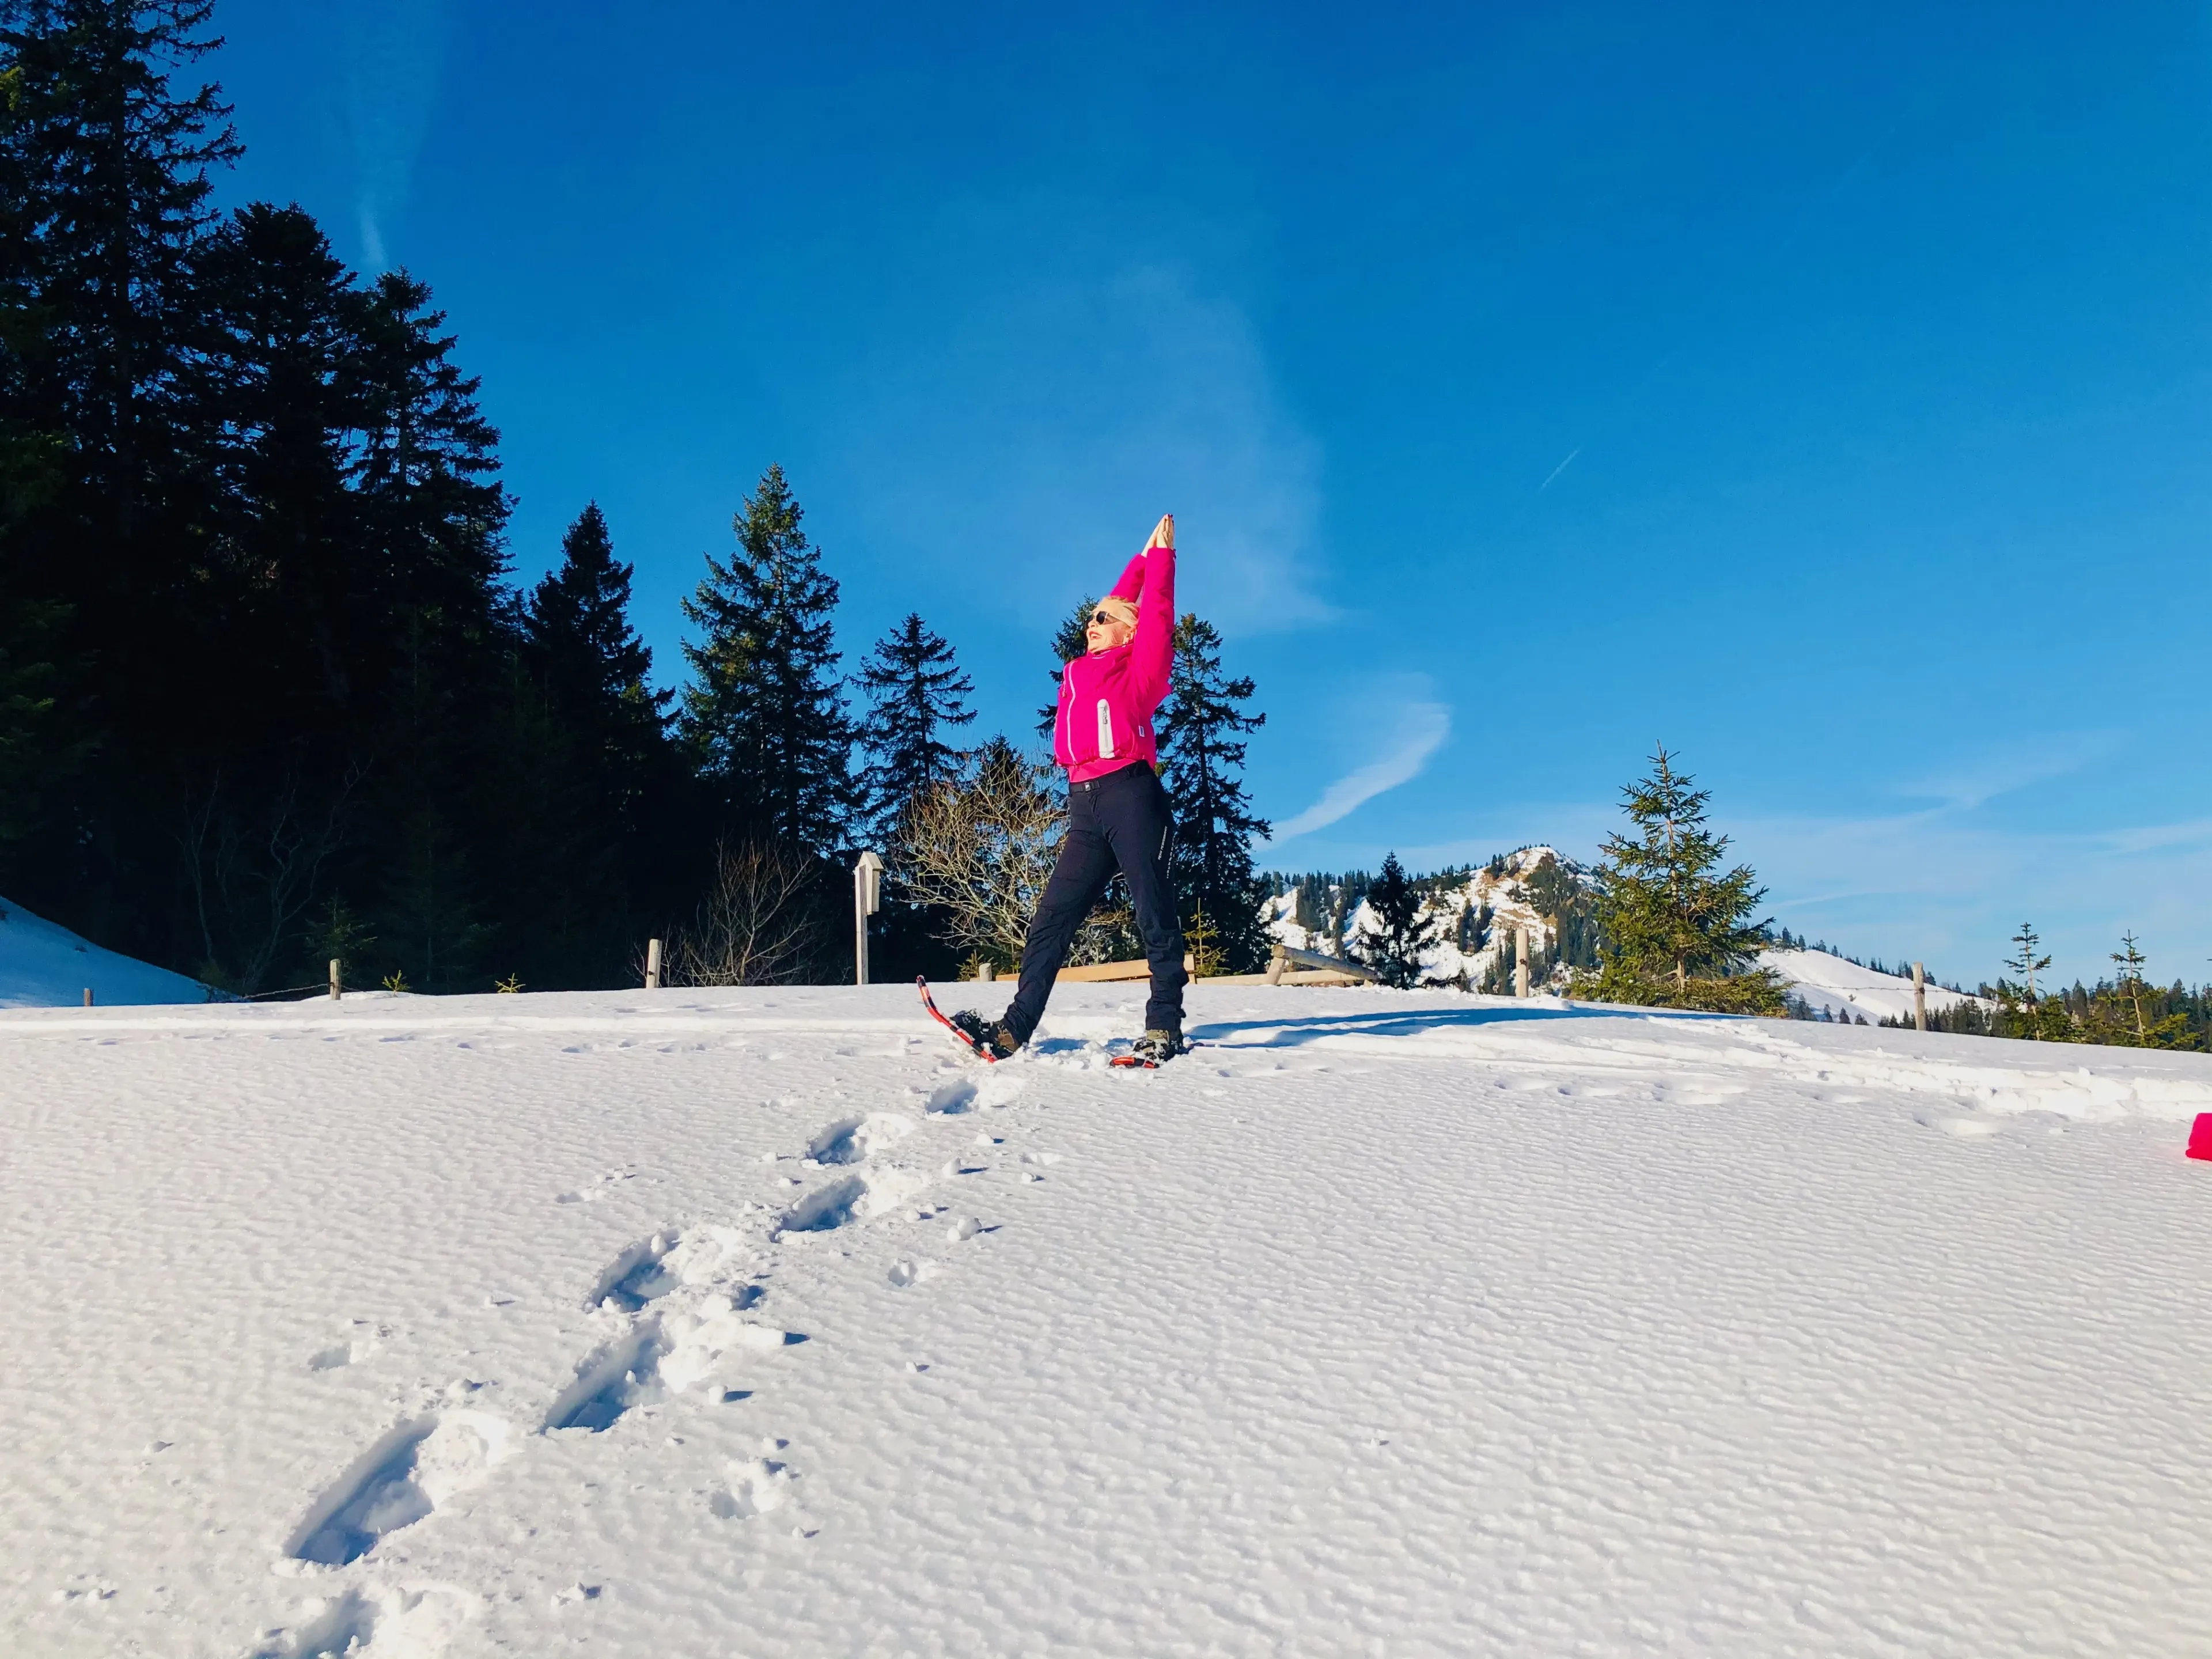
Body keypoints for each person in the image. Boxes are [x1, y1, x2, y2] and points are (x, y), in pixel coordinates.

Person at [952, 513, 1187, 1063]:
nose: (1092, 622)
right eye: (1090, 618)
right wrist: (1137, 558)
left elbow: (1154, 612)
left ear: (1128, 631)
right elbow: (1120, 601)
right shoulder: (1086, 669)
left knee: (1153, 910)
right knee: (1052, 918)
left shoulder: (1142, 669)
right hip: (1084, 804)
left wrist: (1161, 562)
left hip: (1131, 795)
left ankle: (1164, 1028)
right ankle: (1013, 1029)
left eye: (1104, 619)